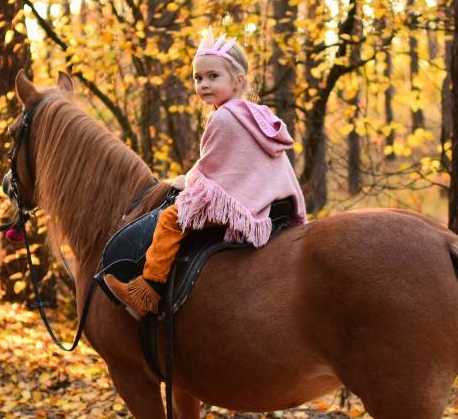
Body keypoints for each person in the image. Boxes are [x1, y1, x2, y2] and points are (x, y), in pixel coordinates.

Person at [105, 35, 307, 317]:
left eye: (213, 76)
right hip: (270, 200)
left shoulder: (223, 117)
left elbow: (209, 171)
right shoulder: (255, 115)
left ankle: (147, 291)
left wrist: (187, 181)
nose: (204, 85)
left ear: (238, 80)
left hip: (242, 205)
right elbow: (228, 166)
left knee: (170, 221)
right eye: (198, 78)